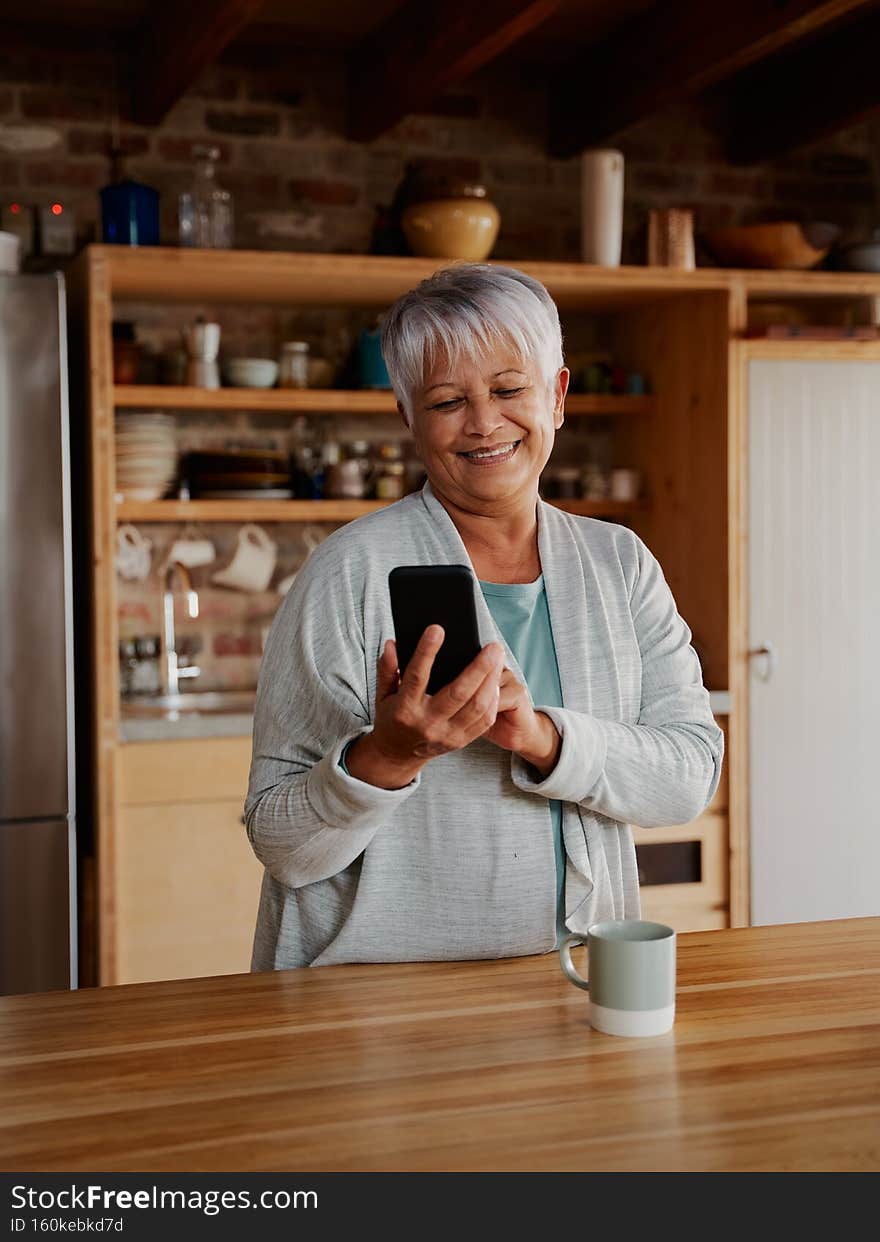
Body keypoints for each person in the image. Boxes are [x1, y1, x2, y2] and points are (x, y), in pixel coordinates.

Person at [245, 263, 724, 970]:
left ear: (557, 396)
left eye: (508, 389)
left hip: (576, 985)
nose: (484, 423)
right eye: (445, 401)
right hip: (372, 1011)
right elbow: (282, 844)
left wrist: (541, 738)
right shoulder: (348, 572)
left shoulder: (618, 564)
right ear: (407, 417)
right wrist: (389, 756)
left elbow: (687, 777)